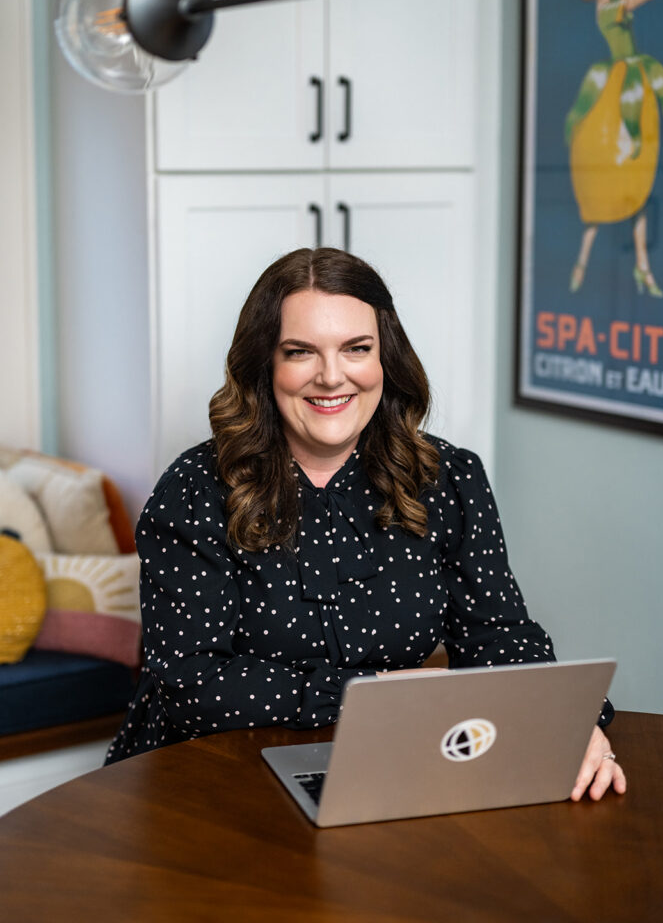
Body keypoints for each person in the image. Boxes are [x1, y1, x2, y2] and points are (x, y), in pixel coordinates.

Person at [107, 247, 625, 802]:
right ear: (265, 365)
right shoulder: (194, 491)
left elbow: (495, 634)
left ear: (386, 359)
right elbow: (191, 686)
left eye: (357, 349)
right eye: (300, 352)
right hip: (201, 776)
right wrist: (370, 693)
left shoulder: (449, 477)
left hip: (389, 765)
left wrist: (565, 717)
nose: (332, 377)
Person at [566, 0, 663, 297]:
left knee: (636, 187)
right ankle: (588, 263)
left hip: (631, 84)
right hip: (622, 93)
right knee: (615, 185)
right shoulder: (610, 8)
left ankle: (640, 268)